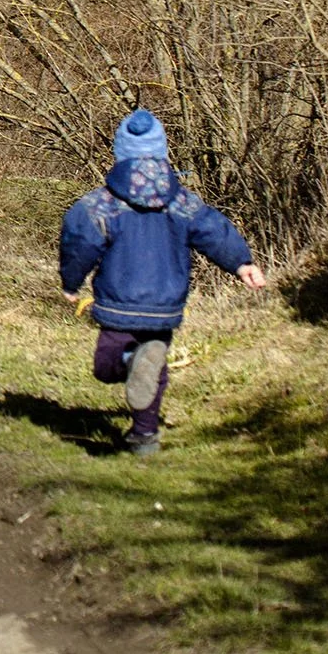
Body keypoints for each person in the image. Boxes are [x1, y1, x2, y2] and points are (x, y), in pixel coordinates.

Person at [58, 107, 266, 455]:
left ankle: (129, 362)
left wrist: (70, 282)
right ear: (163, 152)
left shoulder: (102, 204)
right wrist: (241, 263)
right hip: (165, 306)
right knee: (152, 365)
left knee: (108, 365)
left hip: (119, 303)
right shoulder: (182, 201)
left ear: (120, 152)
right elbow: (214, 230)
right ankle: (145, 436)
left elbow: (79, 241)